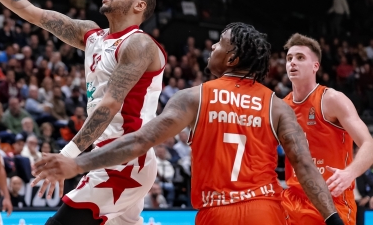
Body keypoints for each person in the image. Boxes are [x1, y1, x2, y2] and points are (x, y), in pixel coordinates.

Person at [32, 23, 346, 225]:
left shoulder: (193, 98)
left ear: (233, 58)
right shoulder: (277, 106)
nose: (213, 47)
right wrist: (333, 219)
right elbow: (304, 166)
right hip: (264, 211)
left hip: (217, 213)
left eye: (220, 44)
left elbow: (139, 142)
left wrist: (78, 164)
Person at [0, 0, 166, 225]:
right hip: (108, 155)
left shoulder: (138, 44)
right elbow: (32, 12)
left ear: (139, 6)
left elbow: (110, 106)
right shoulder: (91, 35)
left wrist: (66, 158)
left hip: (126, 160)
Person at [281, 33, 373, 225]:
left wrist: (350, 173)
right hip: (292, 203)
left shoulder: (331, 99)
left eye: (300, 58)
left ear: (316, 66)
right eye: (289, 58)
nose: (292, 63)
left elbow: (368, 144)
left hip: (332, 201)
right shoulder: (280, 107)